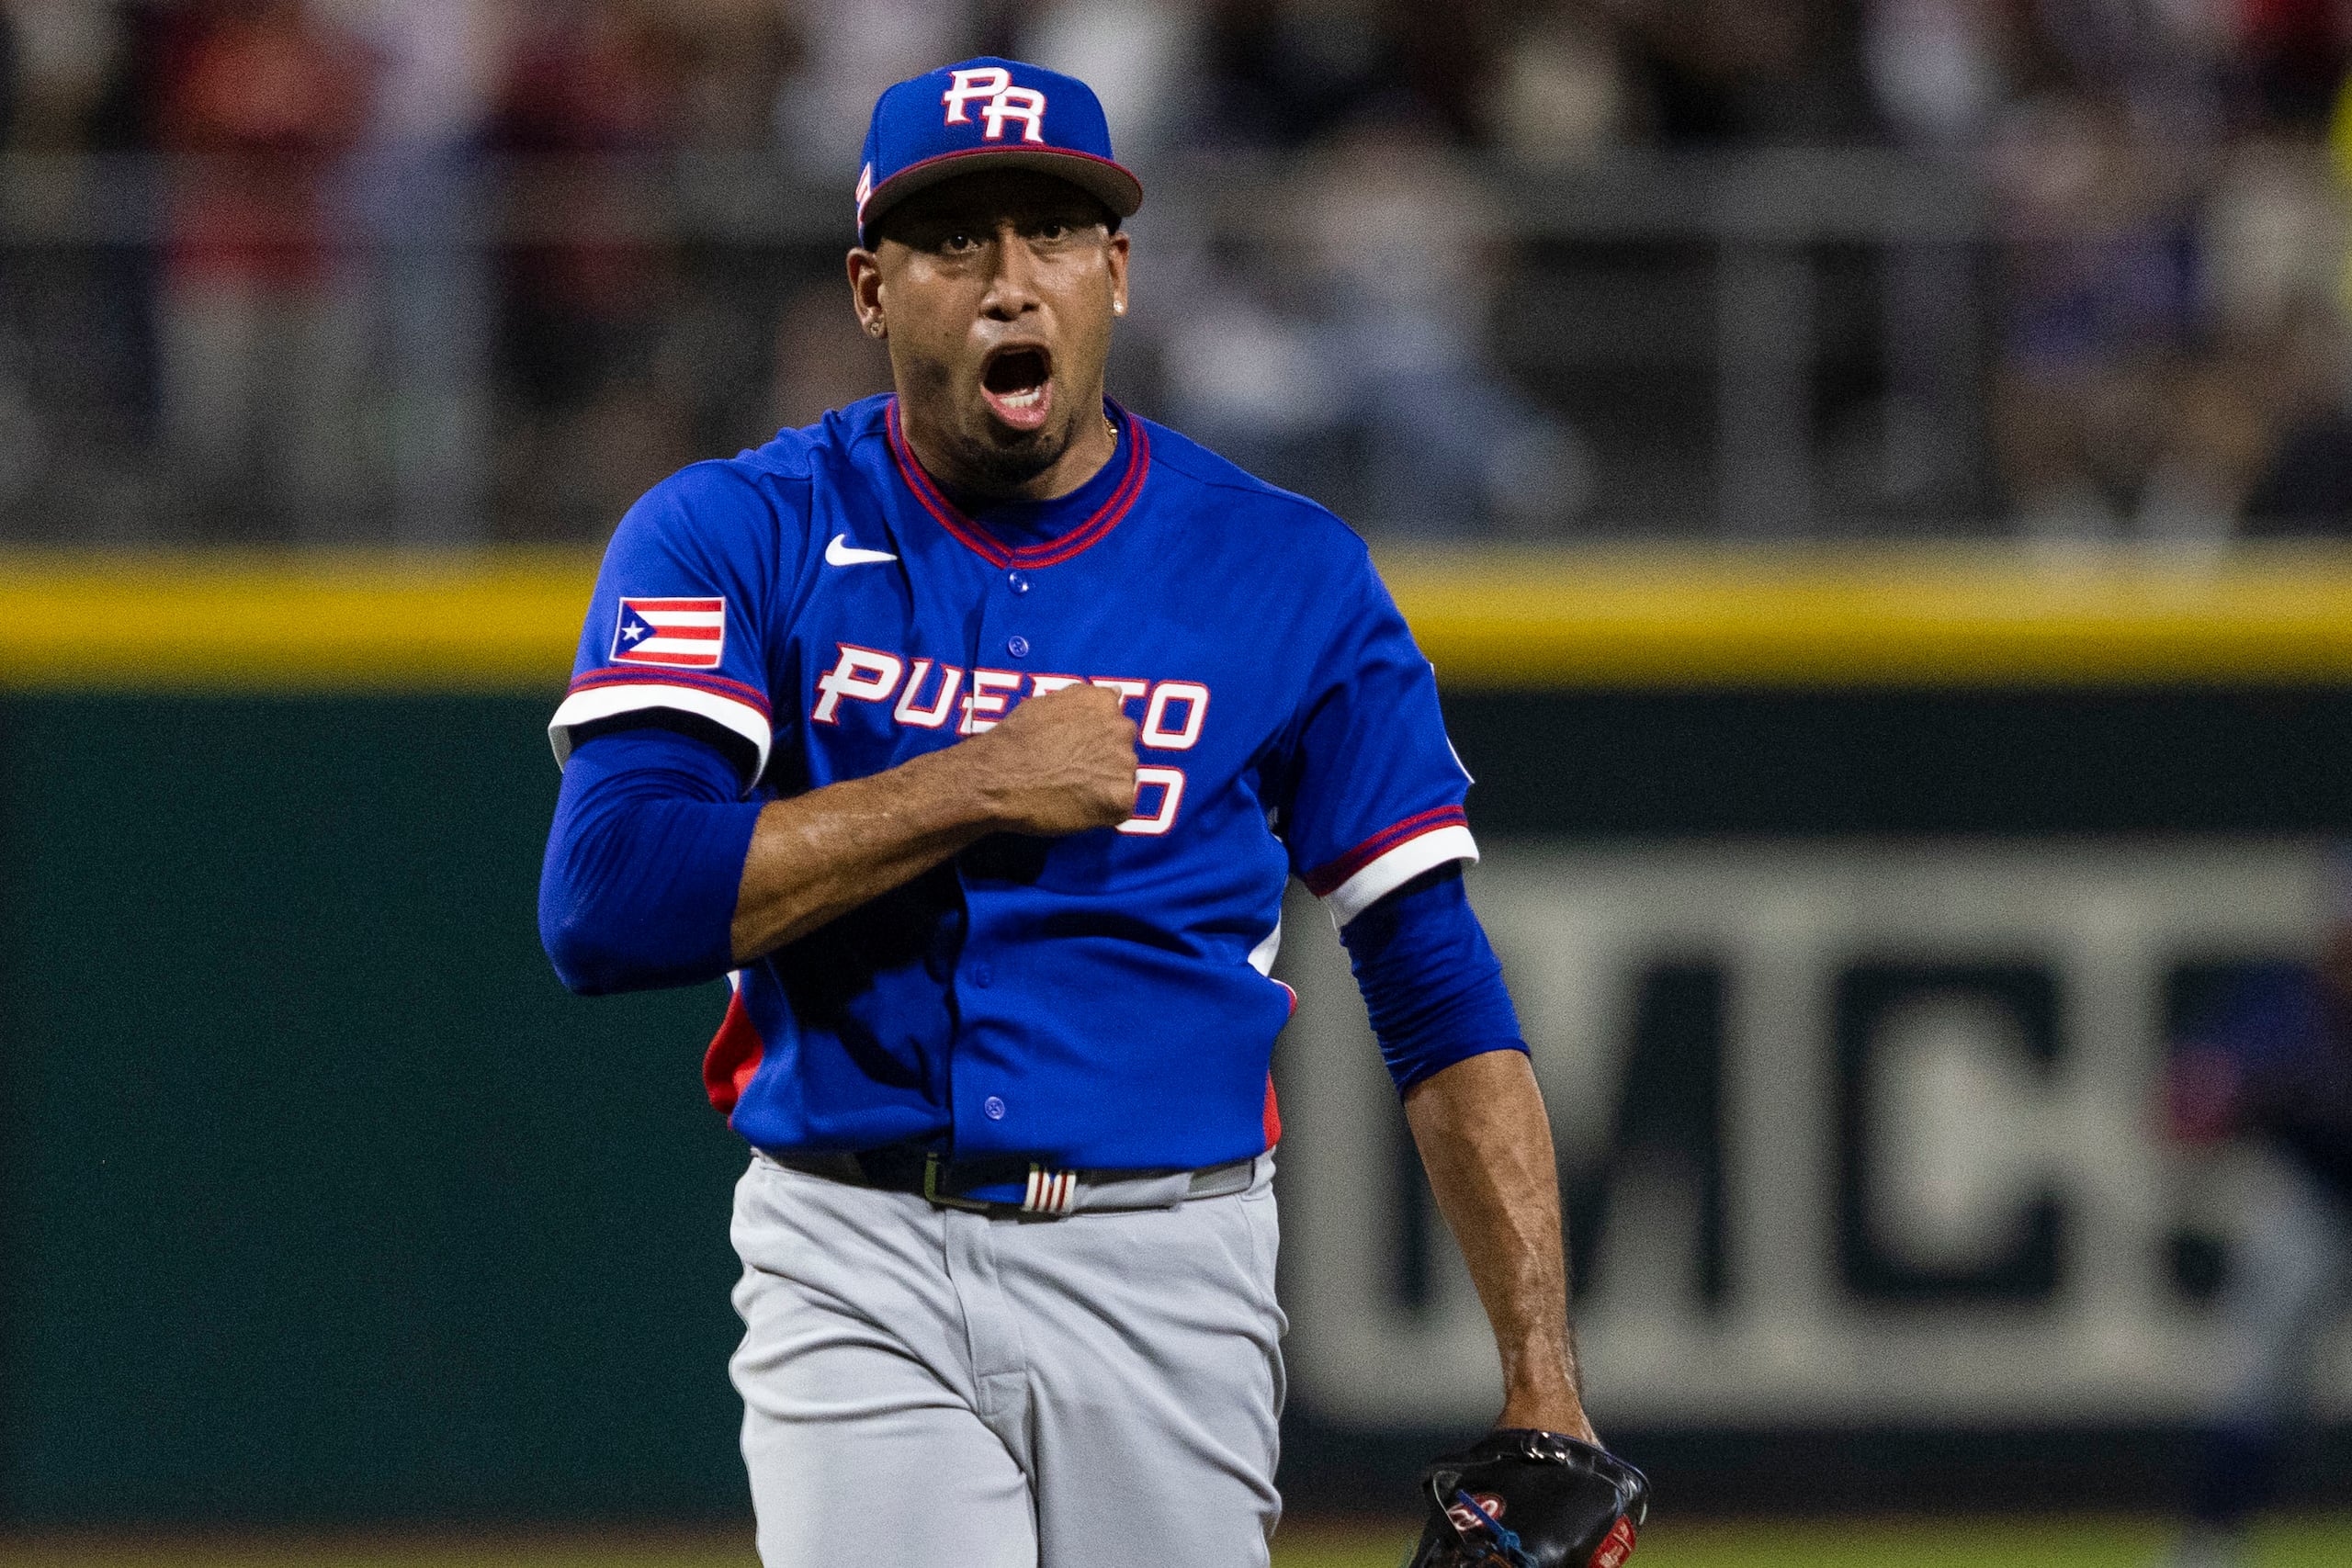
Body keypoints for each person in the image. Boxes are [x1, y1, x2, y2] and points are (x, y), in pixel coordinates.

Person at [538, 58, 1638, 1565]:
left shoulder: (1285, 571)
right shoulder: (739, 529)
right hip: (856, 1247)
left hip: (1166, 1256)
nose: (1009, 283)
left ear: (1117, 271)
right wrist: (972, 784)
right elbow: (603, 899)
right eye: (952, 242)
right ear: (871, 288)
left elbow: (1435, 977)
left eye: (1052, 233)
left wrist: (1545, 1389)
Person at [2165, 903, 2352, 1566]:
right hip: (2318, 1203)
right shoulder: (2287, 1001)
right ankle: (2208, 1547)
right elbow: (2195, 1088)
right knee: (2257, 1385)